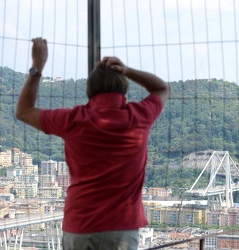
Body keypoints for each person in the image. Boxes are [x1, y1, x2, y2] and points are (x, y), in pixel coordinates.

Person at [16, 37, 170, 250]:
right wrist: (126, 70)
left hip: (80, 224)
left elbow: (23, 111)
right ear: (123, 89)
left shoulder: (73, 119)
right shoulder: (139, 116)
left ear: (89, 89)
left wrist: (37, 66)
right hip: (122, 227)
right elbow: (162, 89)